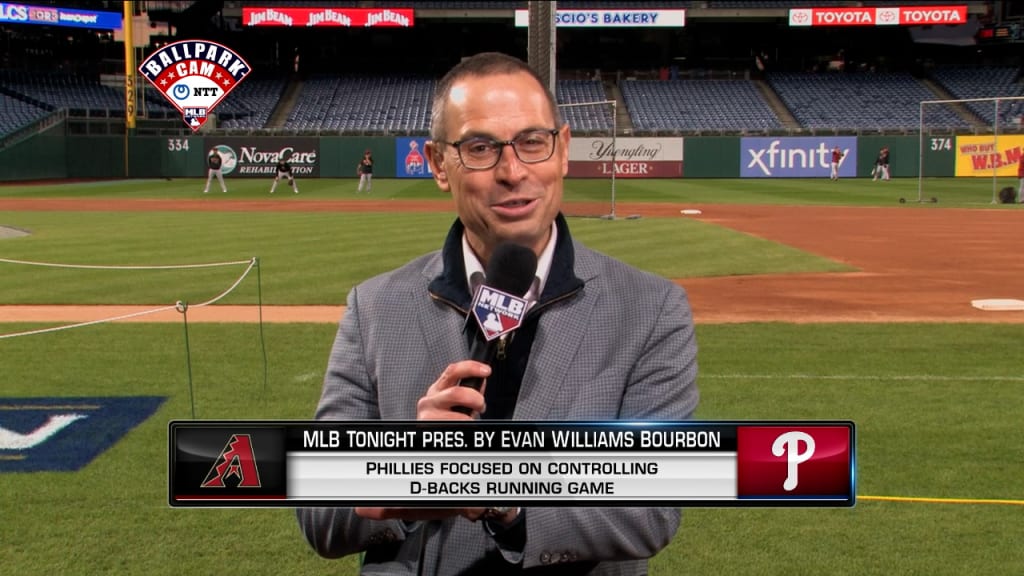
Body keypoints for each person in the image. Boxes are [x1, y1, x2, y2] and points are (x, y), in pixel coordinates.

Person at [296, 52, 699, 575]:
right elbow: (320, 517)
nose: (514, 172)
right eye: (481, 148)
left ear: (563, 151)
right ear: (439, 164)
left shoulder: (650, 309)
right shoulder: (374, 307)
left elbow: (651, 510)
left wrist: (497, 493)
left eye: (533, 142)